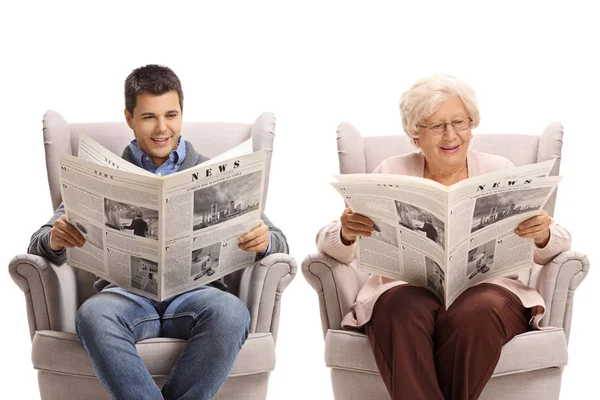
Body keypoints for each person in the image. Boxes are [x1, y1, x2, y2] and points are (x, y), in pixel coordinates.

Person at [28, 64, 289, 400]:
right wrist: (55, 239)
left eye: (171, 114)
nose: (162, 128)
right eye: (149, 117)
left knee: (232, 313)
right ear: (130, 118)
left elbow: (280, 241)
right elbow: (39, 242)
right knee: (93, 315)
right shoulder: (103, 173)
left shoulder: (214, 172)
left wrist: (266, 241)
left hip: (199, 295)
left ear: (182, 113)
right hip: (126, 297)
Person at [316, 74, 571, 400]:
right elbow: (331, 248)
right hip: (408, 292)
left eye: (459, 122)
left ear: (471, 124)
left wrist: (544, 234)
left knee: (474, 312)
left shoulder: (500, 171)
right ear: (414, 135)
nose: (451, 135)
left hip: (490, 293)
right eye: (436, 126)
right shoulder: (390, 172)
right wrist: (346, 232)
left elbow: (558, 245)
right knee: (400, 309)